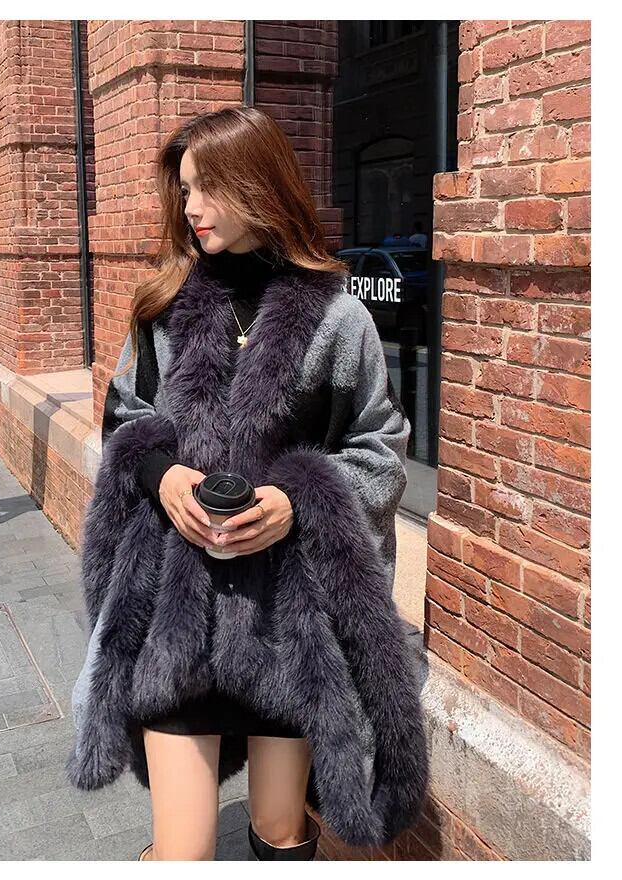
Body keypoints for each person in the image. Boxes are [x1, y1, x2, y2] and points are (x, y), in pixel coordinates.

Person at [67, 107, 429, 861]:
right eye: (184, 190)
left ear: (257, 185)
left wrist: (297, 500)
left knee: (281, 831)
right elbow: (126, 418)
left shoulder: (340, 319)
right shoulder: (164, 308)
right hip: (178, 610)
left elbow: (382, 448)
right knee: (184, 850)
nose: (190, 207)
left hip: (289, 622)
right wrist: (164, 476)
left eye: (207, 188)